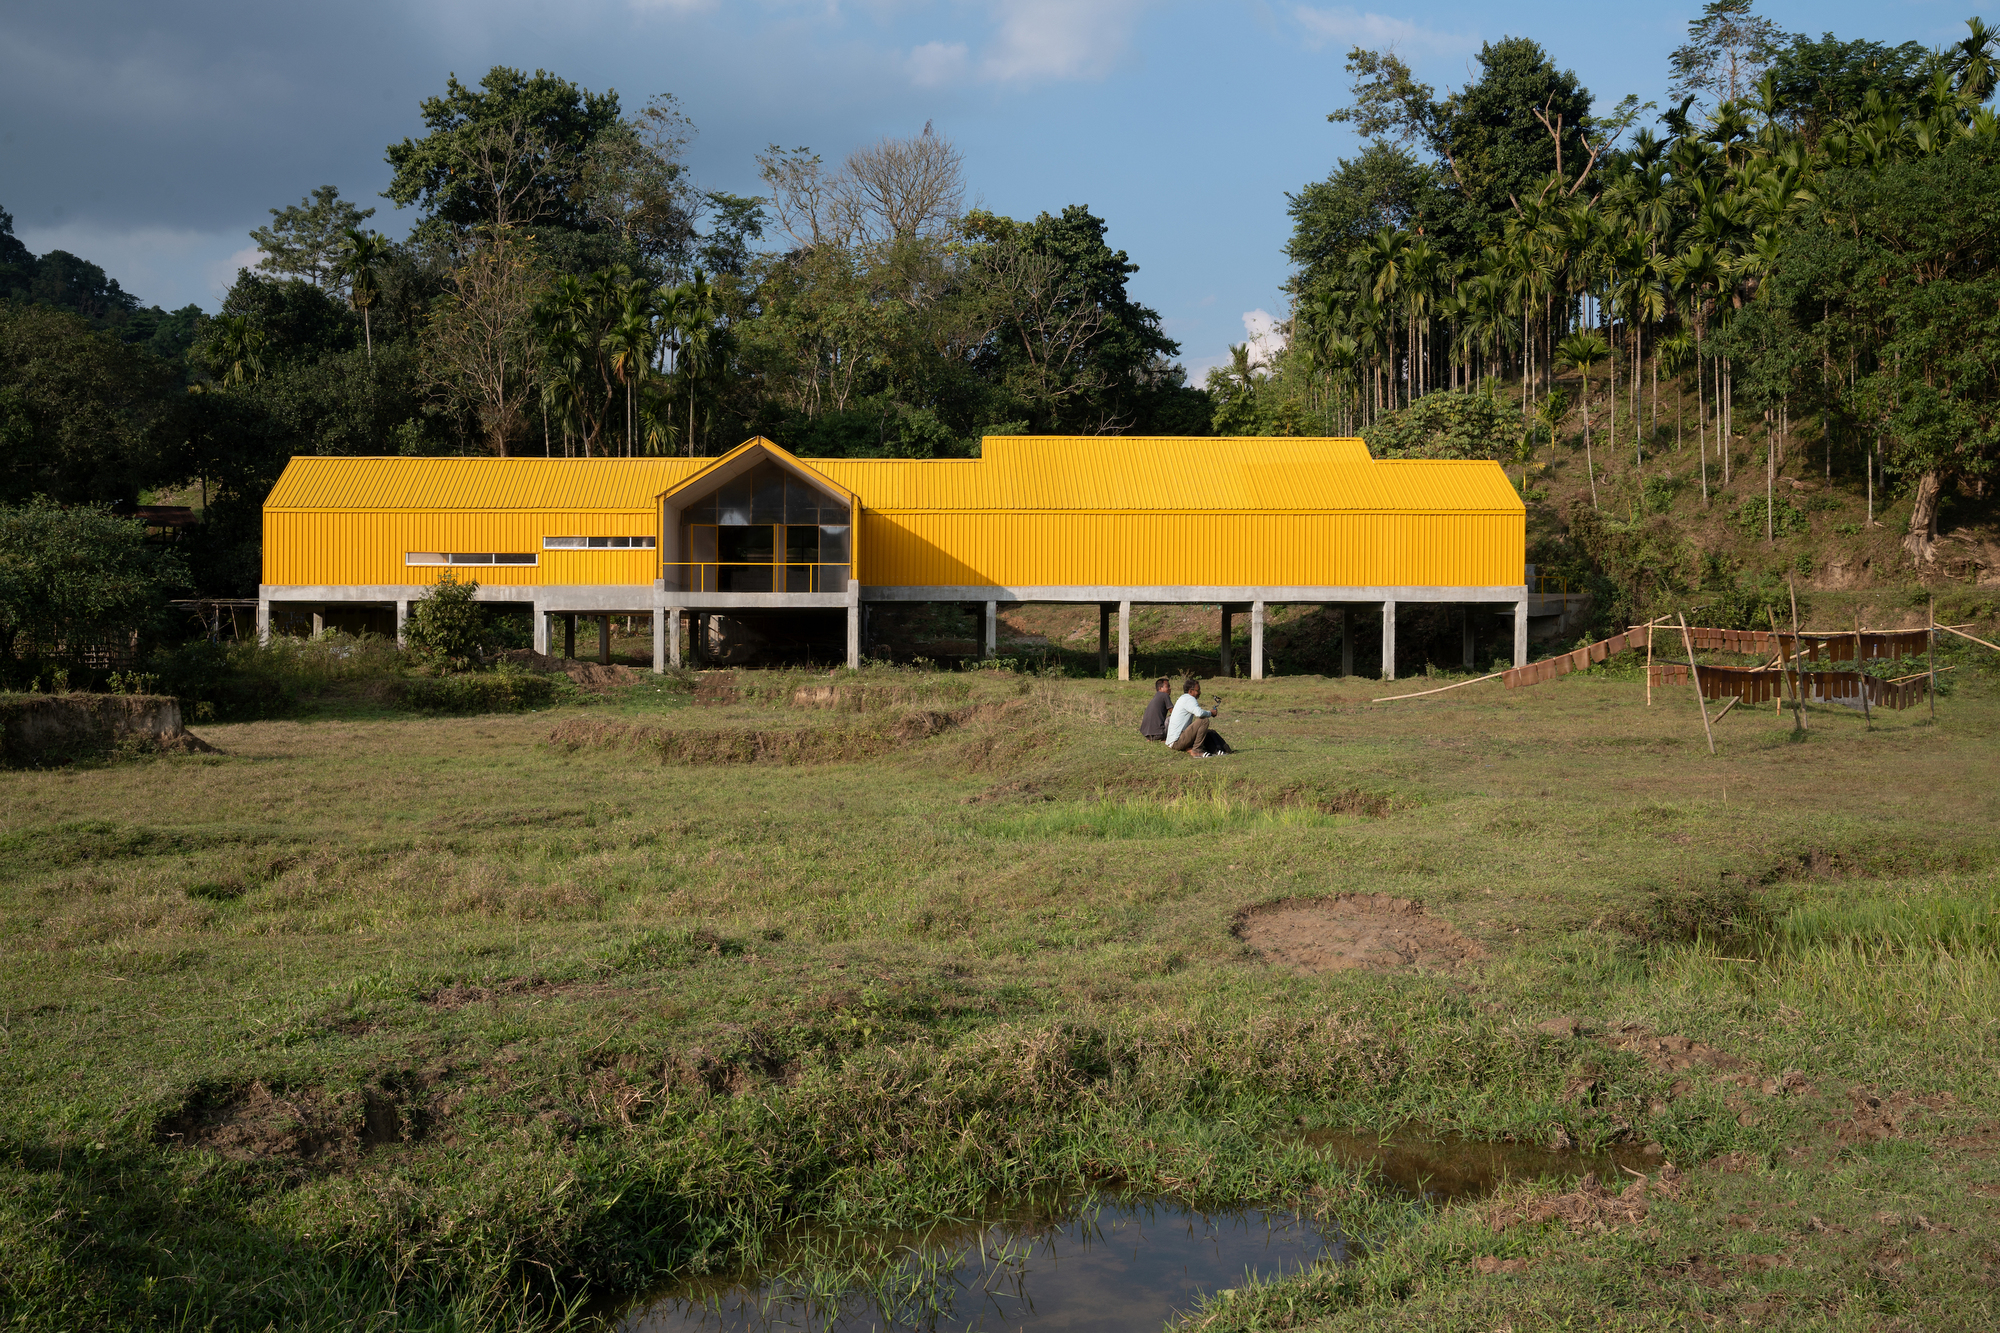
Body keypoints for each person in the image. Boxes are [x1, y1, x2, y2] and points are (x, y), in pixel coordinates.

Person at [1166, 677, 1232, 756]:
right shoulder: (1189, 699)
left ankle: (1218, 750)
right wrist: (1210, 713)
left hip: (1173, 741)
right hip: (1176, 742)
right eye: (1198, 690)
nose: (1200, 692)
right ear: (1191, 691)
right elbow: (1199, 713)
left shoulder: (1183, 698)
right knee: (1203, 721)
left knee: (1208, 732)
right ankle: (1197, 750)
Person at [1138, 676, 1173, 741]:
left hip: (1147, 734)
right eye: (1167, 686)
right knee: (1173, 717)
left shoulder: (1156, 696)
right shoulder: (1165, 695)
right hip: (1159, 734)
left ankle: (1151, 739)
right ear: (1160, 688)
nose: (1170, 688)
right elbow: (1173, 712)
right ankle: (1168, 738)